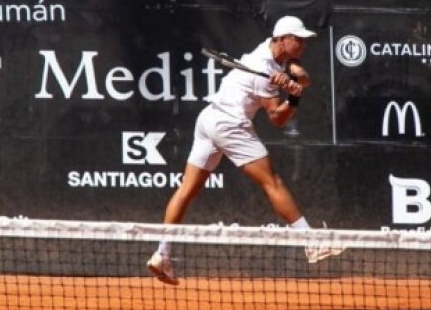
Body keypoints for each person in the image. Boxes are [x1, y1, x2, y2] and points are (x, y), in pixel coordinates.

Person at [146, 16, 343, 285]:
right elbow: (277, 119)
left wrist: (292, 80)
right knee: (272, 182)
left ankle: (162, 254)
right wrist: (293, 96)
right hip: (230, 124)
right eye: (298, 39)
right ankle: (311, 242)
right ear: (282, 38)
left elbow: (303, 77)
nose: (303, 45)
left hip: (208, 120)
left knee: (187, 190)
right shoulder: (261, 68)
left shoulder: (272, 52)